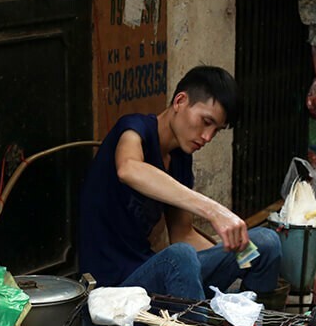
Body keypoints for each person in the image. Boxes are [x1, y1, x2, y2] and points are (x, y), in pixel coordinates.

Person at [78, 66, 282, 301]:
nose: (207, 137)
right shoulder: (134, 129)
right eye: (206, 121)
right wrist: (214, 211)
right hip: (113, 290)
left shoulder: (180, 159)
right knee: (180, 257)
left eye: (216, 130)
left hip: (152, 276)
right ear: (180, 101)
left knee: (265, 243)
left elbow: (183, 234)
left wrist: (238, 255)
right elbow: (129, 169)